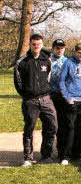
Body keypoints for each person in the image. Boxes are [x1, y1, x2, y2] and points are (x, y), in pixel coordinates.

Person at [13, 34, 58, 167]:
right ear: (30, 44)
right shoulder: (22, 62)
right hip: (30, 101)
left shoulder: (47, 60)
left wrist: (45, 91)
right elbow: (18, 83)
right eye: (34, 44)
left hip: (46, 99)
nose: (36, 46)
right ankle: (28, 157)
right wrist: (26, 96)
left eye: (38, 44)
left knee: (52, 126)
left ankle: (46, 155)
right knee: (29, 128)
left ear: (42, 44)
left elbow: (49, 78)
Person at [59, 41, 81, 165]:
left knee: (80, 129)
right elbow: (61, 81)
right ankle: (65, 155)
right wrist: (68, 98)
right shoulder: (68, 62)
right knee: (70, 128)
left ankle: (77, 154)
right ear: (75, 52)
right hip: (72, 99)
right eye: (79, 53)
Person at [48, 39, 68, 161]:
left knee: (62, 126)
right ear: (53, 48)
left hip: (63, 97)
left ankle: (62, 153)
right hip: (50, 96)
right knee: (50, 125)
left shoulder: (67, 61)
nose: (60, 50)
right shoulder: (48, 61)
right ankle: (47, 153)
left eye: (62, 48)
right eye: (57, 47)